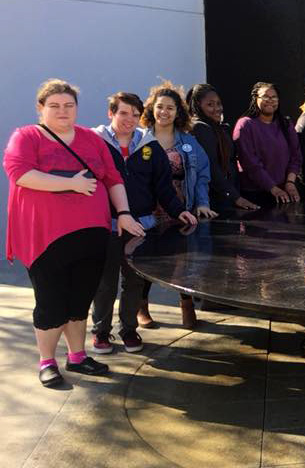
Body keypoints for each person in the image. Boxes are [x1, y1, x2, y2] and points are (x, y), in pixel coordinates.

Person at [3, 79, 145, 387]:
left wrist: (122, 212)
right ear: (41, 108)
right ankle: (46, 361)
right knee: (51, 301)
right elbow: (21, 174)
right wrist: (72, 184)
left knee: (80, 301)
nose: (63, 111)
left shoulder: (91, 140)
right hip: (46, 237)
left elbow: (112, 177)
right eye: (54, 105)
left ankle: (78, 356)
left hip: (91, 234)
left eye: (69, 105)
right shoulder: (27, 136)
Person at [90, 92, 197, 353]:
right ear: (111, 114)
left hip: (141, 224)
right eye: (123, 113)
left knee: (134, 282)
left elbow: (163, 186)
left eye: (135, 114)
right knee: (105, 282)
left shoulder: (149, 146)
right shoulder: (96, 142)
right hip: (107, 225)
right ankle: (101, 332)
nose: (130, 119)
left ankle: (128, 330)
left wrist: (178, 210)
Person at [140, 81, 216, 329]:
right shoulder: (140, 139)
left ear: (178, 112)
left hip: (181, 207)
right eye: (159, 107)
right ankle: (142, 307)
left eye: (170, 108)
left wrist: (202, 203)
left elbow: (203, 173)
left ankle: (187, 306)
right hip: (148, 209)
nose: (164, 112)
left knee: (184, 258)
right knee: (147, 257)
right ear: (151, 109)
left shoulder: (188, 141)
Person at [186, 83, 259, 211]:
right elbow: (211, 167)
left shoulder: (217, 127)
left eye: (218, 103)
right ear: (198, 105)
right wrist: (236, 197)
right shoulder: (200, 128)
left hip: (226, 196)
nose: (217, 108)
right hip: (214, 201)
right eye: (210, 104)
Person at [234, 82, 302, 206]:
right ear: (255, 99)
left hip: (285, 193)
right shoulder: (245, 125)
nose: (270, 100)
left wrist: (290, 183)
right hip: (255, 194)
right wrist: (273, 188)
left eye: (274, 97)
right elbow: (250, 164)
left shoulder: (285, 124)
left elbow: (296, 156)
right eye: (265, 96)